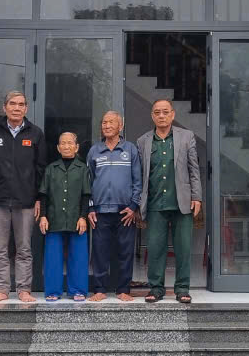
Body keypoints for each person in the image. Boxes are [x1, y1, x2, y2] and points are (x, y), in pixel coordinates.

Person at [0, 90, 46, 304]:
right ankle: (1, 289)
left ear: (26, 108)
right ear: (4, 107)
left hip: (26, 201)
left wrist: (39, 198)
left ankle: (24, 290)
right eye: (12, 104)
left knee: (24, 248)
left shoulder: (35, 134)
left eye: (21, 104)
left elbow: (41, 169)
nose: (17, 108)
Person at [138, 99, 202, 304]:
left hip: (182, 202)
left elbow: (194, 169)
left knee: (183, 248)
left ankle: (182, 288)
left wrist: (197, 196)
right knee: (155, 248)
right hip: (155, 203)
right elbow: (140, 174)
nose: (161, 116)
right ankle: (155, 288)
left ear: (173, 114)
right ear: (152, 116)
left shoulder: (186, 137)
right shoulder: (143, 141)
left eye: (165, 112)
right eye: (157, 112)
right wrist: (138, 202)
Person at [85, 110, 142, 302]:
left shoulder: (130, 149)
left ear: (121, 126)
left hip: (125, 211)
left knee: (125, 252)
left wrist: (133, 206)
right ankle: (99, 289)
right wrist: (91, 208)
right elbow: (88, 182)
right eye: (104, 122)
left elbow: (138, 180)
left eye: (111, 122)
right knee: (99, 252)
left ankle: (123, 289)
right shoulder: (94, 151)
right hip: (100, 211)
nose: (107, 126)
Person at [38, 132, 91, 302]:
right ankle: (53, 291)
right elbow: (44, 194)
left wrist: (83, 217)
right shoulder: (51, 169)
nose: (66, 146)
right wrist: (43, 216)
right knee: (53, 256)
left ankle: (78, 290)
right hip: (54, 219)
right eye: (63, 143)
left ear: (76, 147)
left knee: (79, 256)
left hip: (77, 219)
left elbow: (86, 195)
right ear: (58, 147)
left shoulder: (83, 169)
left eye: (70, 143)